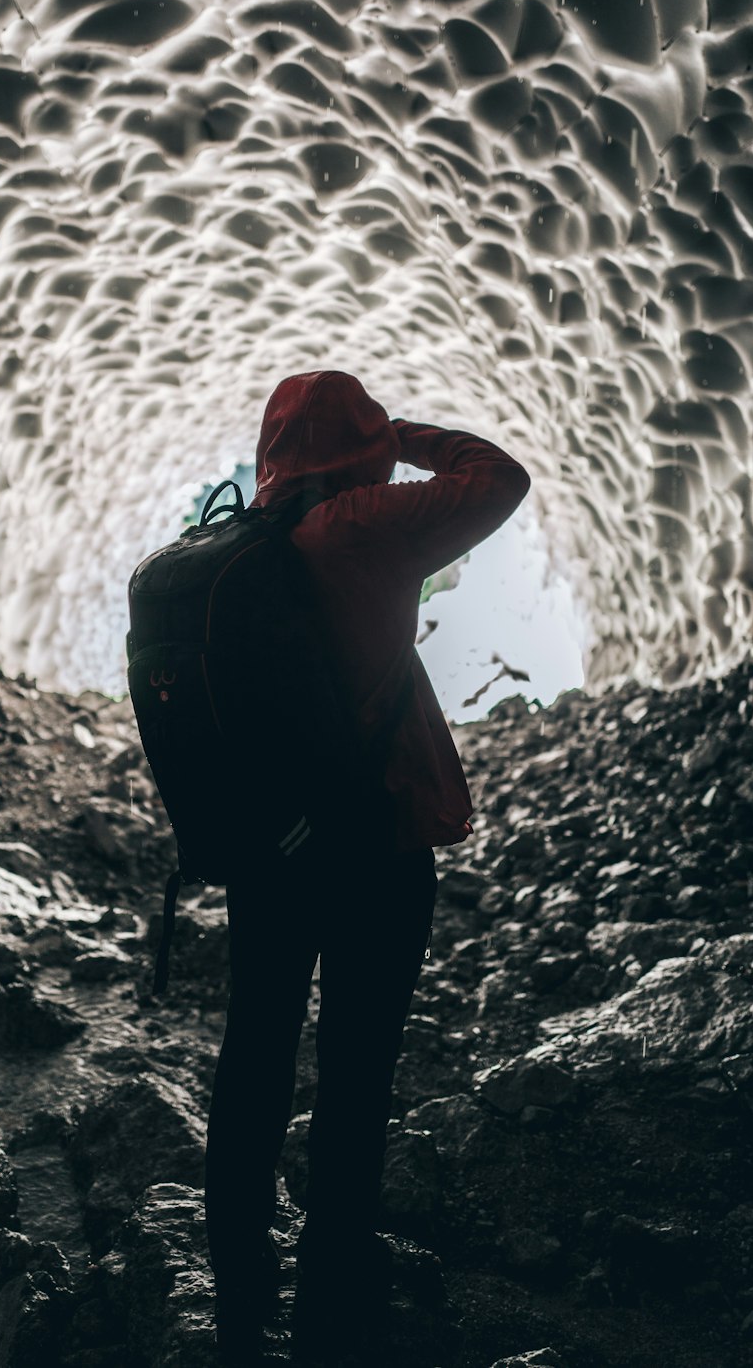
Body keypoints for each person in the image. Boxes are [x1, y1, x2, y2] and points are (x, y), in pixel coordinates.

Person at [203, 370, 531, 1364]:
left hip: (271, 850)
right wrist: (401, 435)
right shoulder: (369, 523)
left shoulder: (234, 547)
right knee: (354, 1077)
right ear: (359, 440)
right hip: (374, 848)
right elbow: (499, 477)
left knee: (253, 1060)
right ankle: (329, 1302)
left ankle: (239, 1294)